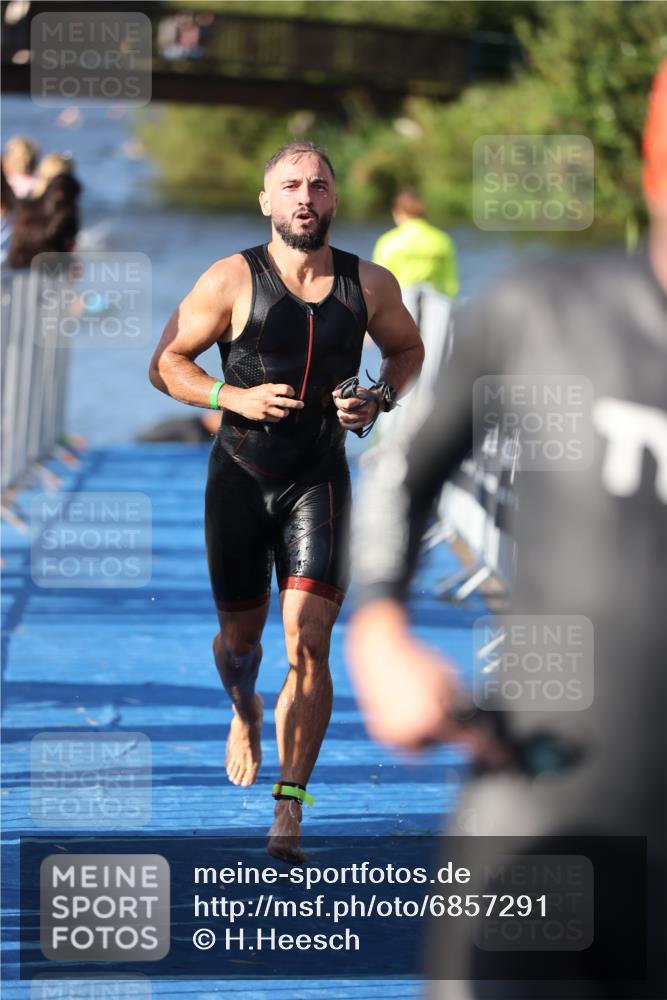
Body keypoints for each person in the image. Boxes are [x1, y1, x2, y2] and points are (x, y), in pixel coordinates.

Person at [348, 63, 667, 998]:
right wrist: (378, 630)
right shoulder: (545, 313)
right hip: (542, 808)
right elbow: (403, 467)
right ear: (652, 164)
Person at [149, 141, 423, 862]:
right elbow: (166, 364)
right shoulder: (230, 279)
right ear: (267, 201)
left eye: (319, 186)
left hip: (319, 482)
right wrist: (229, 394)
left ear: (334, 200)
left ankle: (289, 805)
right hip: (239, 482)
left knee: (308, 638)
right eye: (290, 185)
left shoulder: (370, 284)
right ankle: (241, 709)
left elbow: (408, 352)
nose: (305, 197)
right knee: (242, 646)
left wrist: (379, 398)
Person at [372, 188, 459, 299]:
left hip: (402, 299)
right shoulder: (442, 240)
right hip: (435, 300)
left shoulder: (389, 241)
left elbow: (379, 279)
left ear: (397, 213)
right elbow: (450, 281)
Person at [6, 171, 81, 269]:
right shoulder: (64, 211)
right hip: (26, 264)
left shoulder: (29, 208)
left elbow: (69, 243)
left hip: (31, 264)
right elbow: (50, 235)